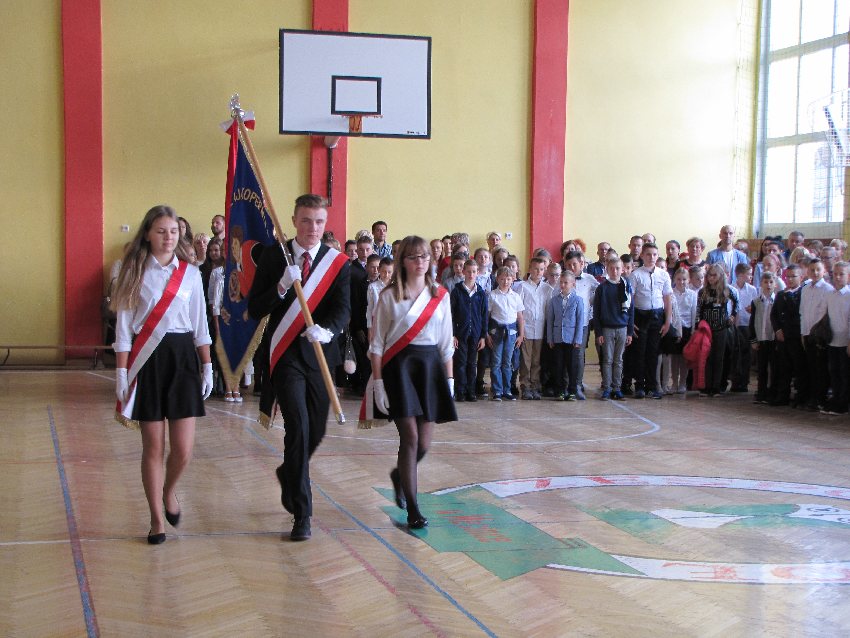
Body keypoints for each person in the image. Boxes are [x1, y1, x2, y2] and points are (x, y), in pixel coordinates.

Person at [247, 194, 351, 542]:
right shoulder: (274, 256)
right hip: (285, 356)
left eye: (319, 221)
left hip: (319, 354)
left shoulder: (337, 263)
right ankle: (303, 513)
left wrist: (328, 330)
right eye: (306, 220)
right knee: (299, 427)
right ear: (294, 221)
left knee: (316, 430)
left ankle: (289, 472)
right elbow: (255, 308)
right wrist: (280, 286)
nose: (312, 228)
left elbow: (343, 310)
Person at [111, 205, 213, 545]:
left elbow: (200, 324)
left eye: (173, 231)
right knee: (153, 447)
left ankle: (169, 490)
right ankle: (156, 519)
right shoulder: (133, 272)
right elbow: (124, 329)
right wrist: (122, 373)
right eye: (160, 231)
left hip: (183, 359)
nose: (168, 237)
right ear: (147, 234)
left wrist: (208, 365)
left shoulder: (191, 274)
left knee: (183, 449)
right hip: (148, 360)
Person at [369, 235, 455, 529]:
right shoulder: (389, 296)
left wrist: (450, 379)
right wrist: (378, 383)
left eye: (425, 257)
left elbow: (446, 343)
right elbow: (377, 345)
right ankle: (413, 508)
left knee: (425, 443)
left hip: (430, 368)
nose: (421, 262)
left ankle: (399, 476)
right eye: (414, 257)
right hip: (399, 369)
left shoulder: (441, 295)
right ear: (403, 261)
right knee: (411, 438)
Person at [629, 243, 673, 399]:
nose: (651, 257)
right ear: (642, 256)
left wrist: (667, 321)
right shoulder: (635, 275)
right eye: (648, 254)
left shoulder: (663, 275)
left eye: (654, 254)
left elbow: (667, 299)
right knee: (640, 352)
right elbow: (630, 300)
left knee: (653, 352)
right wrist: (631, 321)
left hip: (657, 316)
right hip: (640, 316)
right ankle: (639, 386)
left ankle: (652, 386)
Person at [593, 256, 634, 400]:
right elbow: (596, 312)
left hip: (622, 328)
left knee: (618, 360)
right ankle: (607, 388)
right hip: (607, 329)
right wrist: (599, 332)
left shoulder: (626, 286)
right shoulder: (602, 288)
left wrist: (630, 331)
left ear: (622, 270)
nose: (615, 271)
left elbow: (631, 310)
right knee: (607, 360)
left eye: (617, 268)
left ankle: (617, 388)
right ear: (607, 270)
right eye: (611, 268)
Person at [696, 263, 738, 397]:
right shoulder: (703, 292)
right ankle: (706, 386)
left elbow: (737, 303)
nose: (711, 278)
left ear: (720, 276)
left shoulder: (727, 290)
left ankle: (716, 386)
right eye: (709, 275)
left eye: (714, 275)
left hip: (721, 328)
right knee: (707, 357)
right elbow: (699, 309)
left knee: (719, 358)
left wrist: (732, 316)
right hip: (706, 329)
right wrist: (698, 325)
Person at [450, 259, 488, 402]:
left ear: (477, 273)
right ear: (463, 272)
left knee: (472, 363)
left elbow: (484, 315)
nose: (471, 274)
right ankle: (460, 391)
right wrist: (453, 334)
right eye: (468, 271)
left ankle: (471, 391)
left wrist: (483, 336)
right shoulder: (457, 292)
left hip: (476, 334)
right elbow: (451, 314)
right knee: (460, 363)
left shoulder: (481, 293)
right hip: (461, 334)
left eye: (474, 272)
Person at [799, 258, 834, 411]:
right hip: (807, 333)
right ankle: (812, 397)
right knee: (810, 367)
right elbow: (802, 312)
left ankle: (820, 398)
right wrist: (803, 333)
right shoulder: (805, 289)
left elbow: (826, 313)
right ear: (807, 271)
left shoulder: (828, 289)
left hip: (819, 335)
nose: (815, 272)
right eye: (812, 270)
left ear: (823, 271)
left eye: (818, 269)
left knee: (821, 369)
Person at [563, 251, 598, 399]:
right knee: (566, 354)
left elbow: (598, 295)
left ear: (582, 264)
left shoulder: (590, 279)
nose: (572, 267)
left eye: (574, 264)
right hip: (566, 325)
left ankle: (577, 385)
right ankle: (566, 386)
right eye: (568, 265)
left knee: (578, 354)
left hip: (582, 324)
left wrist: (591, 310)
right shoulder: (563, 280)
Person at [546, 270, 585, 400]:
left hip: (572, 339)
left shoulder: (578, 300)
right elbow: (550, 320)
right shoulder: (554, 301)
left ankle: (572, 391)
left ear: (573, 284)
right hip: (557, 338)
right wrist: (550, 338)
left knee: (572, 366)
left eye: (566, 283)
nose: (562, 285)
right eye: (561, 282)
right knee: (558, 366)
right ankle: (559, 391)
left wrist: (578, 339)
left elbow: (580, 321)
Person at [487, 266, 525, 401]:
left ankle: (507, 390)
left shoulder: (516, 296)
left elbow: (520, 317)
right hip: (496, 332)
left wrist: (521, 335)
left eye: (508, 279)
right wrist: (486, 334)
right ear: (497, 279)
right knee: (496, 362)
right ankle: (497, 390)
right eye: (502, 279)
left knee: (507, 362)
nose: (505, 282)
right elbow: (487, 316)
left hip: (511, 333)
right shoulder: (492, 295)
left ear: (513, 279)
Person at [517, 257, 553, 399]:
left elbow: (549, 310)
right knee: (526, 360)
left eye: (541, 269)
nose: (538, 272)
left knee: (536, 360)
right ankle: (525, 385)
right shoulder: (523, 287)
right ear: (530, 269)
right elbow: (519, 310)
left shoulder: (547, 289)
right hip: (526, 329)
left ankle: (535, 385)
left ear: (545, 271)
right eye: (536, 269)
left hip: (540, 330)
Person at [770, 264, 805, 406]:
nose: (790, 279)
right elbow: (774, 314)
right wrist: (777, 329)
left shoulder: (802, 294)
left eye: (793, 277)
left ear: (801, 277)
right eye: (787, 277)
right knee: (783, 367)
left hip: (796, 336)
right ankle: (782, 395)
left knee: (799, 368)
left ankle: (800, 396)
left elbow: (798, 313)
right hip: (783, 336)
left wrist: (789, 296)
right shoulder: (780, 294)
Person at [823, 261, 850, 414]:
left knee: (845, 373)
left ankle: (843, 404)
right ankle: (836, 400)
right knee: (834, 372)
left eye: (841, 274)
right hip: (832, 340)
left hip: (845, 341)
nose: (838, 277)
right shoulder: (830, 295)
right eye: (835, 274)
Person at [667, 267, 697, 393]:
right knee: (675, 358)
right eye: (679, 279)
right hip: (675, 328)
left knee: (685, 357)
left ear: (688, 280)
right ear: (674, 280)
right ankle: (674, 382)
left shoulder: (692, 294)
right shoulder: (671, 293)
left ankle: (683, 383)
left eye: (684, 279)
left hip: (687, 328)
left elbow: (694, 313)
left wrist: (693, 330)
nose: (681, 282)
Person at [749, 272, 777, 404]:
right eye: (765, 282)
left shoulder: (777, 301)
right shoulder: (756, 302)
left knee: (773, 367)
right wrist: (753, 339)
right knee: (761, 367)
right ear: (761, 284)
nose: (768, 285)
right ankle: (761, 392)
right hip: (761, 339)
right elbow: (752, 321)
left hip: (772, 339)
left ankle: (772, 392)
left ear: (775, 284)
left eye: (771, 282)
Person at [730, 262, 758, 392]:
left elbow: (755, 306)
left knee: (746, 354)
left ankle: (744, 382)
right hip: (735, 325)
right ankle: (735, 381)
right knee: (736, 354)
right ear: (740, 275)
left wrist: (752, 309)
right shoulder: (731, 288)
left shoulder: (752, 290)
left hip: (746, 324)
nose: (751, 277)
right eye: (749, 274)